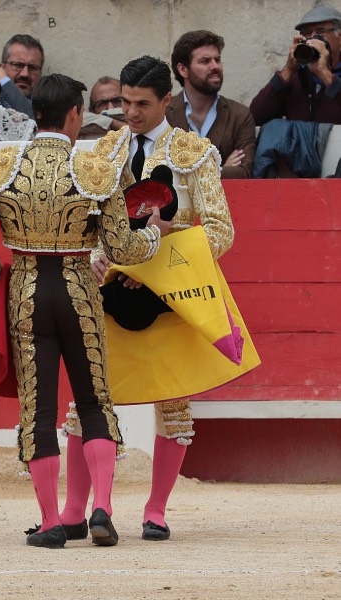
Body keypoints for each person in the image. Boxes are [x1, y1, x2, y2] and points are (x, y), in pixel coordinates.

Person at [0, 73, 172, 549]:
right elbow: (121, 245)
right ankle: (102, 509)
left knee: (40, 411)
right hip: (78, 291)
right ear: (75, 114)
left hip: (28, 293)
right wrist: (156, 234)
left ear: (37, 113)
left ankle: (53, 521)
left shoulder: (0, 164)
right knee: (95, 402)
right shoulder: (96, 171)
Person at [60, 56, 235, 542]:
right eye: (123, 102)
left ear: (166, 102)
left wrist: (158, 251)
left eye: (141, 104)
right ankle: (79, 509)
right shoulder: (102, 152)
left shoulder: (195, 153)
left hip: (168, 296)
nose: (130, 113)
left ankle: (155, 510)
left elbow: (220, 233)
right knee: (86, 404)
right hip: (107, 291)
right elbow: (86, 223)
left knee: (173, 406)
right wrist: (93, 256)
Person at [166, 30, 257, 179]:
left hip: (228, 201)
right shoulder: (165, 114)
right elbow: (163, 173)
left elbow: (244, 173)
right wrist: (217, 168)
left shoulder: (239, 115)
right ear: (183, 70)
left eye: (217, 60)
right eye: (205, 61)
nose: (215, 66)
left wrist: (186, 172)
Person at [249, 6, 341, 125]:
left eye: (320, 31)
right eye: (307, 32)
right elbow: (256, 116)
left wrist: (324, 74)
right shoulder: (296, 77)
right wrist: (288, 70)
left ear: (339, 38)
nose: (312, 37)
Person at [0, 34, 44, 115]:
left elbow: (32, 122)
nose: (25, 74)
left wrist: (5, 81)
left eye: (32, 68)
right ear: (2, 68)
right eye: (18, 65)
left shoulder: (47, 106)